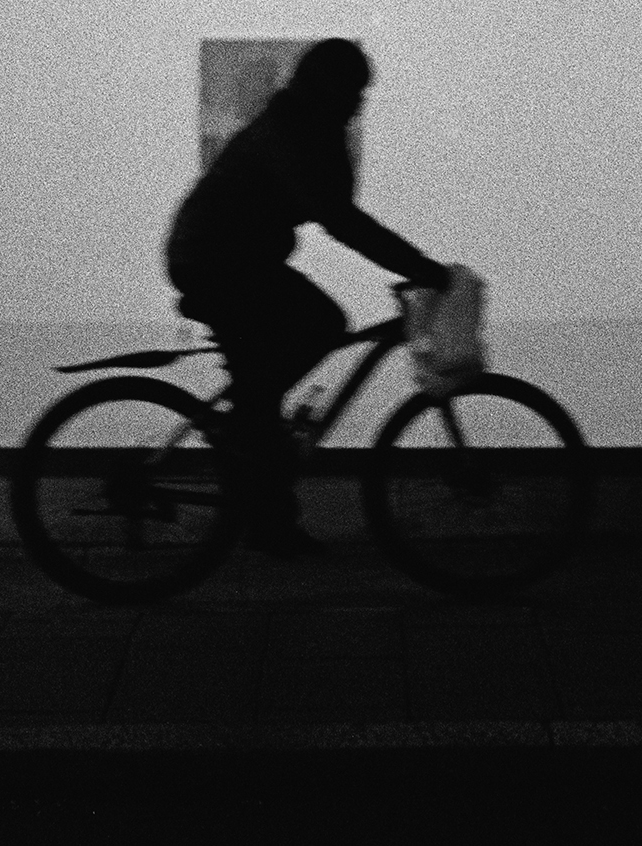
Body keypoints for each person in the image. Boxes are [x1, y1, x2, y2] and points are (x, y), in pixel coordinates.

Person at [164, 38, 450, 557]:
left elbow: (337, 200)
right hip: (216, 258)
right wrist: (421, 267)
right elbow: (340, 219)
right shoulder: (286, 132)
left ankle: (265, 502)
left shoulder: (307, 125)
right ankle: (247, 433)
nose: (358, 104)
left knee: (275, 378)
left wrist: (337, 131)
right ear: (327, 88)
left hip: (233, 256)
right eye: (352, 93)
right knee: (317, 323)